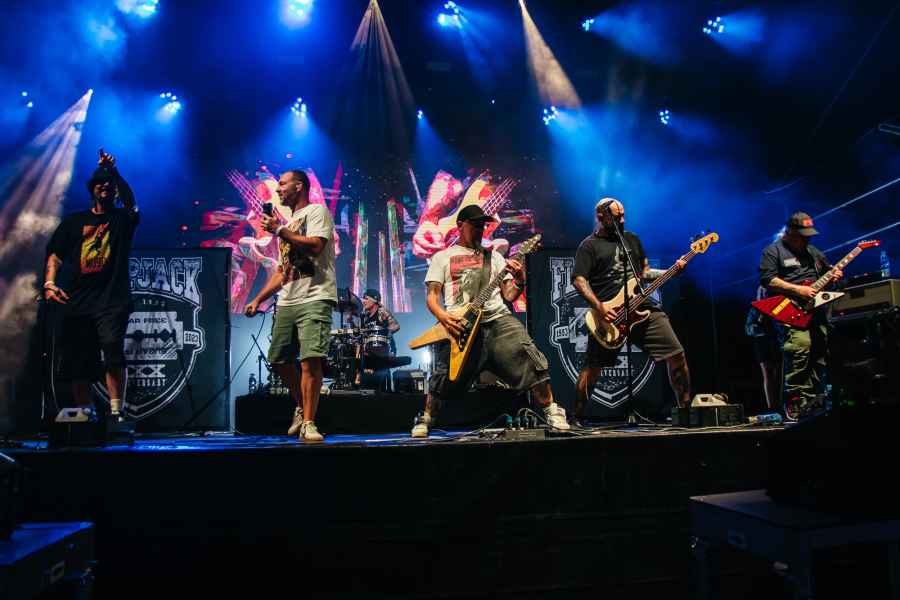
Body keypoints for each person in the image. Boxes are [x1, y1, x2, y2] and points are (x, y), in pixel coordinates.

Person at [410, 205, 569, 438]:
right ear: (460, 225)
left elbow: (509, 296)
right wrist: (444, 318)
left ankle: (552, 411)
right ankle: (426, 418)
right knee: (444, 375)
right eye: (475, 225)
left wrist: (520, 279)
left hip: (497, 319)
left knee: (531, 359)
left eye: (482, 225)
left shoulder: (494, 257)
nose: (480, 229)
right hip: (461, 324)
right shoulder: (442, 257)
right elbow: (432, 297)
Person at [571, 198, 690, 423]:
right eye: (617, 217)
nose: (622, 220)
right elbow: (579, 280)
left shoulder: (632, 239)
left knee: (676, 354)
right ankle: (577, 418)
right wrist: (599, 306)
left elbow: (644, 273)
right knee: (593, 367)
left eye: (623, 215)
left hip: (641, 307)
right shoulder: (589, 246)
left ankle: (685, 413)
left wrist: (671, 270)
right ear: (600, 217)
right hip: (609, 315)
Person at [44, 149, 139, 419]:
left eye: (109, 184)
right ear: (91, 189)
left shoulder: (122, 219)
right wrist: (49, 283)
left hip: (112, 299)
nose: (104, 186)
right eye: (100, 182)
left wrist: (114, 172)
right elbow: (55, 255)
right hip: (78, 301)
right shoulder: (74, 222)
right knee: (79, 360)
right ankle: (85, 413)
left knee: (112, 351)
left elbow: (131, 203)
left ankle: (116, 412)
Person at [244, 169, 337, 443]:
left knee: (310, 361)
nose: (278, 189)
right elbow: (283, 271)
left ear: (299, 186)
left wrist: (280, 230)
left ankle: (309, 422)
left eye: (282, 184)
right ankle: (301, 405)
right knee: (278, 359)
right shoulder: (287, 224)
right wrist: (258, 298)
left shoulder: (317, 212)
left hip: (315, 296)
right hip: (287, 299)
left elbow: (316, 246)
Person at [759, 212, 842, 421]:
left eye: (809, 235)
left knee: (819, 352)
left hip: (816, 310)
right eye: (802, 235)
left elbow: (826, 272)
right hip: (791, 309)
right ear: (789, 232)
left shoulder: (814, 252)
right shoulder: (773, 251)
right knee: (799, 349)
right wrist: (798, 290)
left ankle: (814, 400)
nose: (807, 239)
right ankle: (795, 401)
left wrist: (833, 276)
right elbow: (768, 280)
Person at [744, 286, 782, 412]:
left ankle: (780, 402)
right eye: (761, 292)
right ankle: (771, 405)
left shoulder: (776, 305)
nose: (763, 294)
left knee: (778, 371)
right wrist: (759, 321)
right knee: (767, 373)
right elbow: (748, 329)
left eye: (765, 292)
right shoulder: (754, 309)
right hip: (761, 341)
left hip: (775, 340)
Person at [360, 288, 400, 355]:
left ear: (374, 300)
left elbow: (396, 326)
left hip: (384, 350)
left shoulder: (382, 312)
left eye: (366, 299)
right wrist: (350, 321)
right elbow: (361, 333)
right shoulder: (365, 316)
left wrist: (383, 332)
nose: (363, 301)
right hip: (369, 350)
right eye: (363, 299)